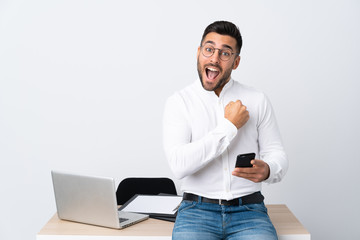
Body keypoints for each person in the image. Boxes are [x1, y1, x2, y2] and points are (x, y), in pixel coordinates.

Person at [162, 21, 288, 240]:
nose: (214, 58)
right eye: (209, 49)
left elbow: (277, 153)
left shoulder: (257, 100)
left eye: (225, 53)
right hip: (195, 211)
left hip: (249, 212)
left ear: (236, 62)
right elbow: (179, 165)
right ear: (199, 52)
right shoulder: (179, 102)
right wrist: (229, 126)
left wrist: (268, 169)